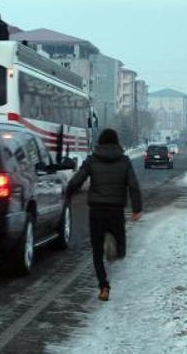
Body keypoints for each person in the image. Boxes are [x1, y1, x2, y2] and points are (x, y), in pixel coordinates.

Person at [66, 128, 142, 302]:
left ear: (100, 142)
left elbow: (78, 179)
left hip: (97, 211)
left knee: (97, 252)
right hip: (116, 211)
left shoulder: (92, 160)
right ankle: (114, 247)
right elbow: (133, 185)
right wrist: (137, 208)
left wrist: (68, 194)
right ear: (116, 143)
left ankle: (103, 287)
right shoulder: (124, 161)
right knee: (121, 250)